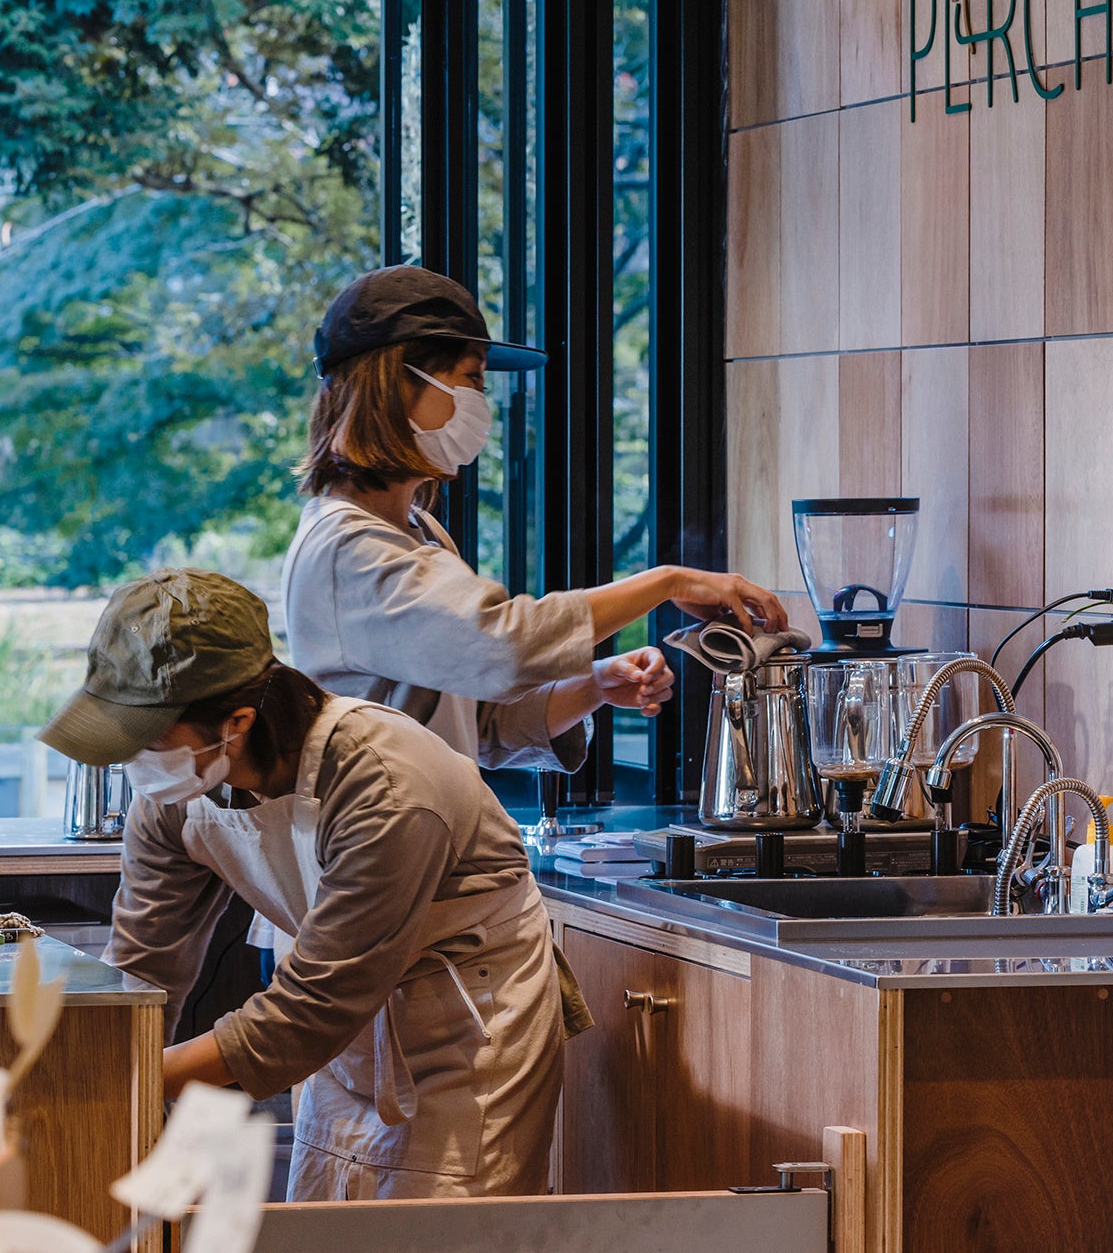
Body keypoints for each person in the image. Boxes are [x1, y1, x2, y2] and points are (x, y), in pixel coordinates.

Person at [42, 568, 573, 1200]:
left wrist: (145, 1075)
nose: (134, 760)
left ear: (235, 723)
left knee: (445, 1228)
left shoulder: (384, 783)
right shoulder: (172, 796)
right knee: (330, 1219)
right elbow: (144, 964)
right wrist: (94, 1062)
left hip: (468, 1027)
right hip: (342, 1034)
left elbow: (320, 1002)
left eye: (146, 737)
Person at [282, 265, 789, 775]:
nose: (480, 406)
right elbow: (503, 644)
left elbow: (478, 725)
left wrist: (593, 684)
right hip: (379, 842)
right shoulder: (349, 548)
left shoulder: (418, 532)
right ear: (394, 385)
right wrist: (666, 581)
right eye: (470, 380)